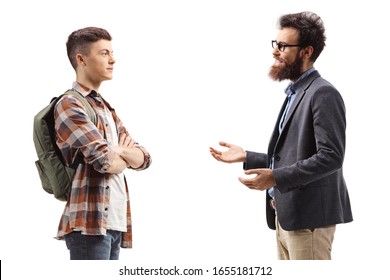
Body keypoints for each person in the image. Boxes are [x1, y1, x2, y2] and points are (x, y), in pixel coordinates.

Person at [209, 11, 352, 260]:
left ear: (306, 52)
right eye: (276, 44)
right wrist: (247, 156)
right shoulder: (295, 92)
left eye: (283, 46)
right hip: (286, 217)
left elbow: (331, 157)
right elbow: (295, 154)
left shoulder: (323, 93)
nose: (275, 51)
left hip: (309, 221)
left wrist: (275, 177)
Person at [54, 27, 152, 260]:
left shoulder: (105, 108)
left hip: (115, 222)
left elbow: (145, 158)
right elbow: (105, 161)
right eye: (104, 53)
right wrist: (120, 152)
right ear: (81, 59)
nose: (113, 59)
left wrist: (119, 150)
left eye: (112, 52)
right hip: (89, 224)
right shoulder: (69, 104)